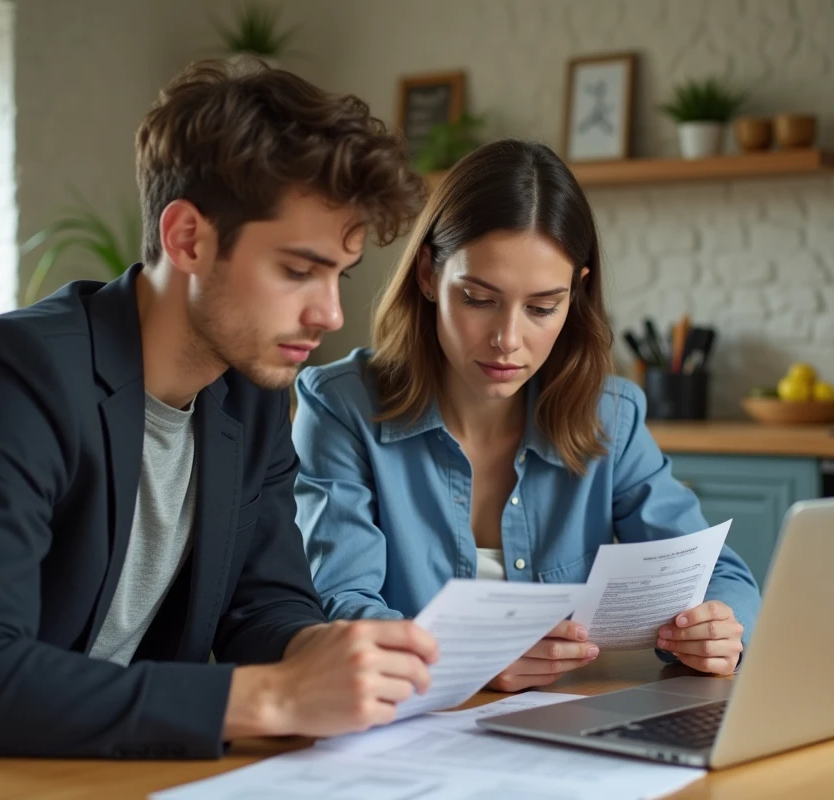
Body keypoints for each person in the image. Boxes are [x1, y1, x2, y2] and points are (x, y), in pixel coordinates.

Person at [0, 59, 439, 757]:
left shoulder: (250, 394)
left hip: (106, 768)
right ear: (187, 237)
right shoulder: (11, 377)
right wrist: (273, 695)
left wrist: (333, 653)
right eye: (296, 270)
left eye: (338, 276)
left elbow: (264, 603)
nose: (331, 314)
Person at [292, 139, 761, 693]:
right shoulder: (339, 405)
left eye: (542, 308)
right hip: (411, 734)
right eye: (477, 298)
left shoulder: (611, 414)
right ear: (427, 275)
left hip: (570, 729)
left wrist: (719, 628)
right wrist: (469, 659)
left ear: (575, 295)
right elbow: (340, 606)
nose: (507, 341)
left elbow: (720, 577)